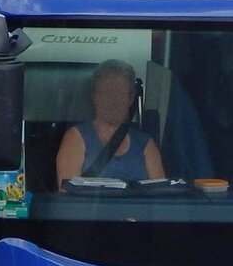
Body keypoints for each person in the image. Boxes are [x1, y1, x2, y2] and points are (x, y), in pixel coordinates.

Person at [56, 59, 165, 187]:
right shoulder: (76, 138)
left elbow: (160, 195)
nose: (113, 100)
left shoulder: (146, 145)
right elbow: (68, 194)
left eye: (120, 93)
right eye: (106, 92)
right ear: (94, 97)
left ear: (131, 98)